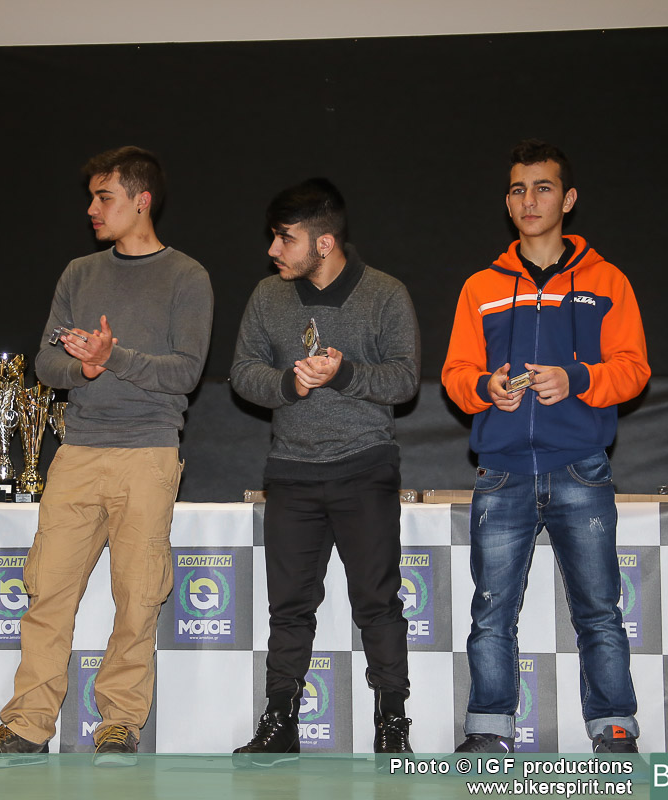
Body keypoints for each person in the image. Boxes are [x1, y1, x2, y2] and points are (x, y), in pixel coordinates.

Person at [0, 146, 213, 768]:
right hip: (76, 452)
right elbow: (47, 363)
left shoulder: (187, 276)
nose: (92, 210)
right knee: (46, 591)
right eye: (92, 198)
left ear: (141, 200)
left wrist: (111, 357)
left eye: (105, 197)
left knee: (138, 597)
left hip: (149, 454)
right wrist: (84, 367)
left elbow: (186, 372)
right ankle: (27, 723)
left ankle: (120, 723)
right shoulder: (79, 273)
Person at [442, 139, 650, 754]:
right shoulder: (480, 286)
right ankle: (488, 731)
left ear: (569, 198)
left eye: (543, 187)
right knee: (491, 613)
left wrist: (577, 378)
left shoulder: (607, 280)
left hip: (580, 469)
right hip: (501, 472)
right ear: (507, 203)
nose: (529, 199)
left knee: (599, 611)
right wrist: (486, 387)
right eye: (517, 189)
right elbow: (456, 374)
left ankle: (614, 729)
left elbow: (634, 368)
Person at [229, 178, 420, 766]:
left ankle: (392, 724)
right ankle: (280, 722)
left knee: (378, 603)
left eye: (285, 238)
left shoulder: (385, 293)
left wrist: (344, 374)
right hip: (290, 472)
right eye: (274, 237)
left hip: (365, 467)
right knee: (288, 608)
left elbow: (405, 378)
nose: (273, 250)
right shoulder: (267, 296)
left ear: (325, 242)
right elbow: (243, 372)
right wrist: (289, 384)